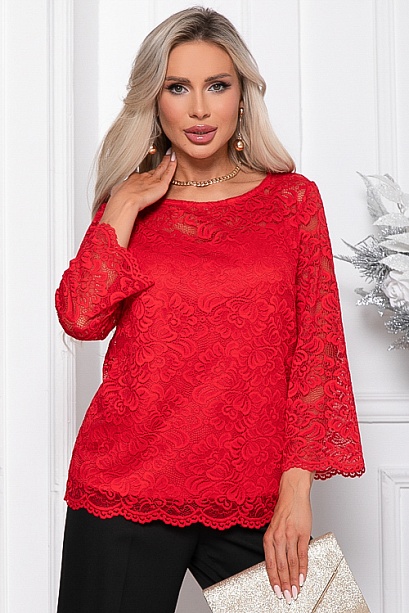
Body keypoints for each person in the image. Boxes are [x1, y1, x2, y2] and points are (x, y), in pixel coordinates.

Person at [55, 7, 365, 612]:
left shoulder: (293, 202)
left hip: (255, 494)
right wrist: (122, 204)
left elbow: (317, 350)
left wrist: (296, 491)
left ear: (242, 95)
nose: (199, 109)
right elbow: (81, 318)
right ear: (155, 100)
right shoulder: (130, 202)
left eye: (216, 86)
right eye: (178, 87)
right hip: (126, 486)